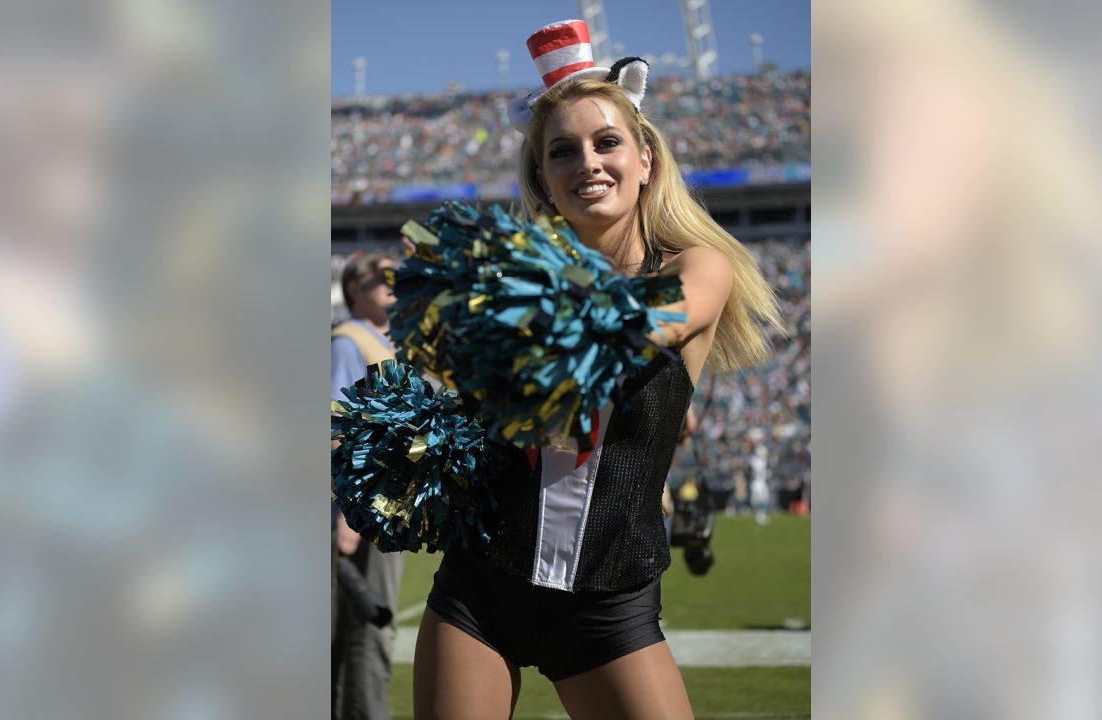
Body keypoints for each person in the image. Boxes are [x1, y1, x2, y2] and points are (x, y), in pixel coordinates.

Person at [412, 20, 786, 720]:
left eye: (606, 142)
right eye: (563, 152)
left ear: (646, 159)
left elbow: (650, 322)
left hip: (607, 605)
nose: (588, 161)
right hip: (480, 591)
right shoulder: (509, 287)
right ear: (546, 181)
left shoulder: (697, 268)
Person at [332, 251, 405, 720]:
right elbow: (336, 428)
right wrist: (345, 510)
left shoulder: (386, 341)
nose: (390, 281)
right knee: (369, 624)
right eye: (379, 276)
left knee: (369, 625)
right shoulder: (350, 341)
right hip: (366, 503)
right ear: (354, 288)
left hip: (390, 501)